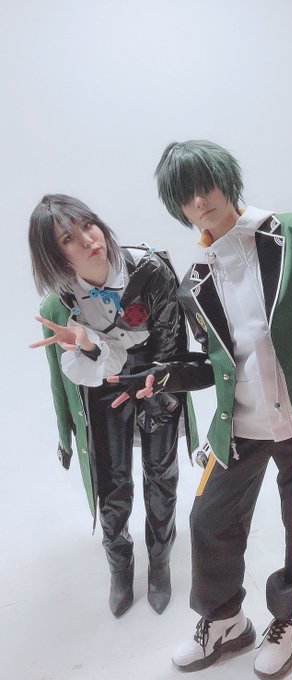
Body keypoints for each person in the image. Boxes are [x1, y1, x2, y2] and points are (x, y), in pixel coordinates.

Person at [113, 139, 292, 677]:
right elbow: (213, 365)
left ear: (226, 179)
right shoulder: (197, 281)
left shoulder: (288, 233)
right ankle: (226, 621)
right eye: (185, 197)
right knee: (208, 519)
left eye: (204, 186)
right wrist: (162, 374)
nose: (199, 202)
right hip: (240, 425)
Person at [28, 194, 209, 618]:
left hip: (156, 374)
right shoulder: (63, 298)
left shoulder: (150, 270)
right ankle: (119, 564)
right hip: (103, 381)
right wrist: (88, 347)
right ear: (54, 255)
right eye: (68, 239)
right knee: (111, 478)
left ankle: (160, 561)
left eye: (87, 225)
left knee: (161, 473)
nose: (88, 240)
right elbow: (70, 373)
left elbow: (170, 345)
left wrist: (157, 388)